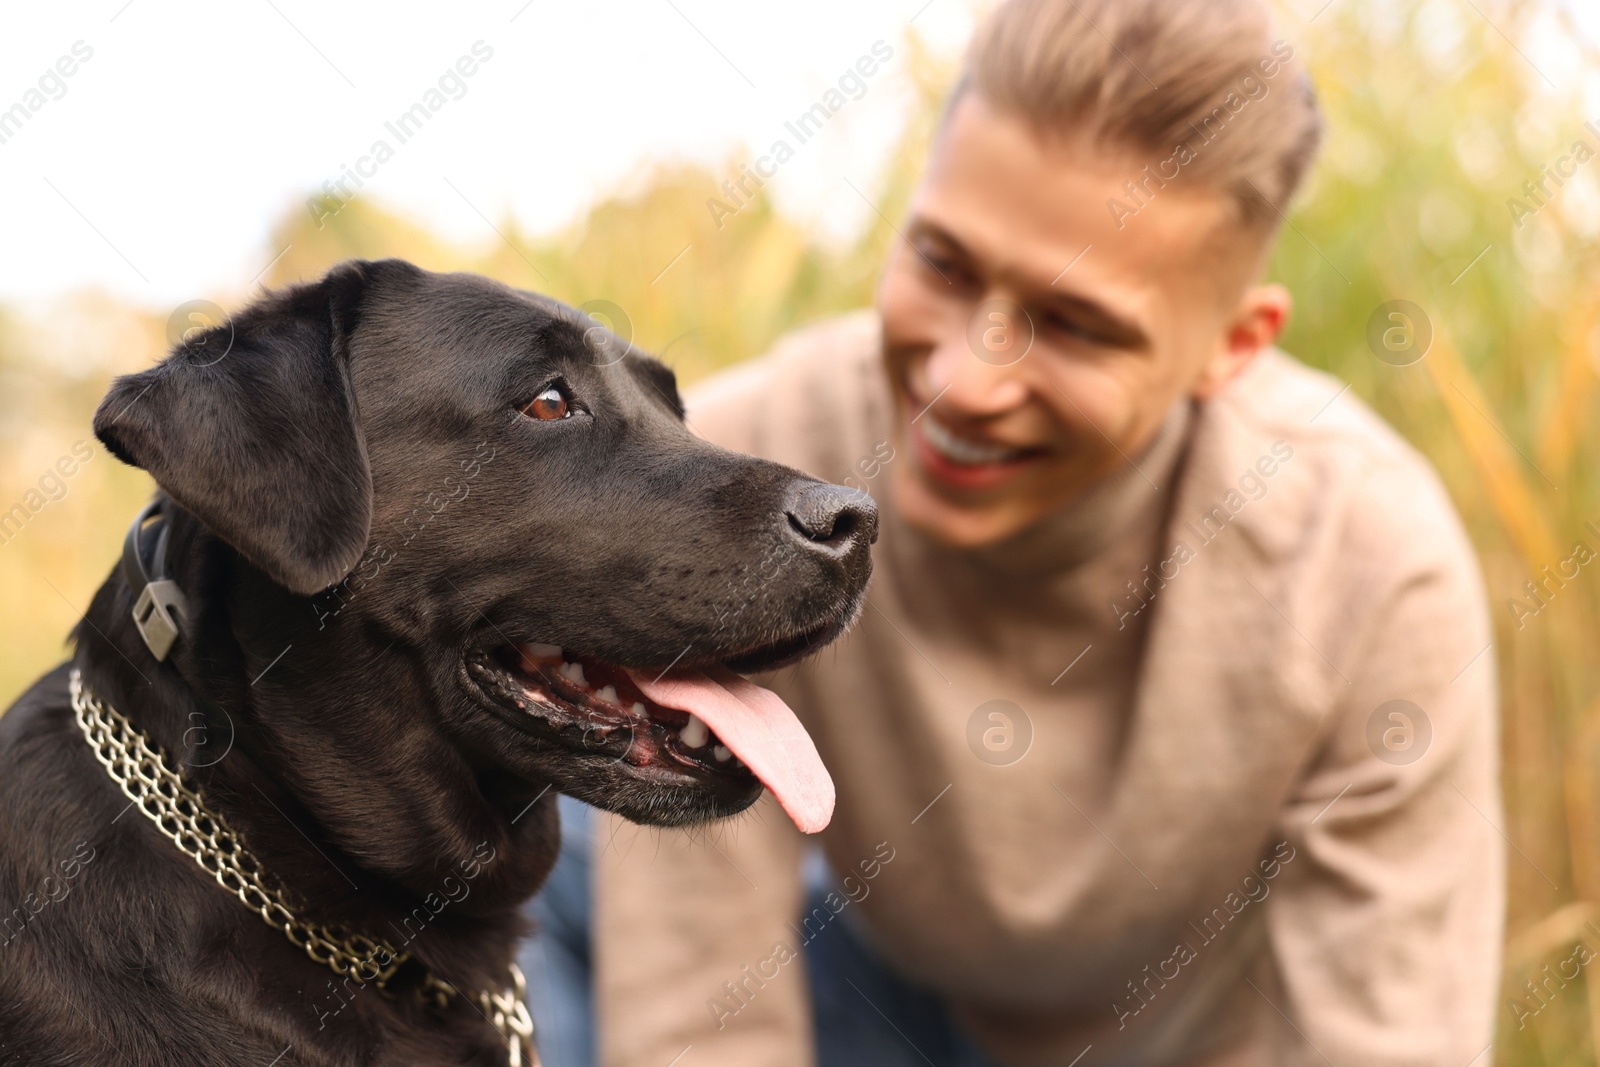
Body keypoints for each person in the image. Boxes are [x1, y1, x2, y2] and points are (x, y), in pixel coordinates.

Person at [520, 0, 1504, 1063]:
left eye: (1076, 324)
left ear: (1232, 344)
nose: (961, 378)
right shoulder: (754, 464)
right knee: (533, 827)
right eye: (943, 263)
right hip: (877, 1008)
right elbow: (702, 1020)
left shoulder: (1365, 566)